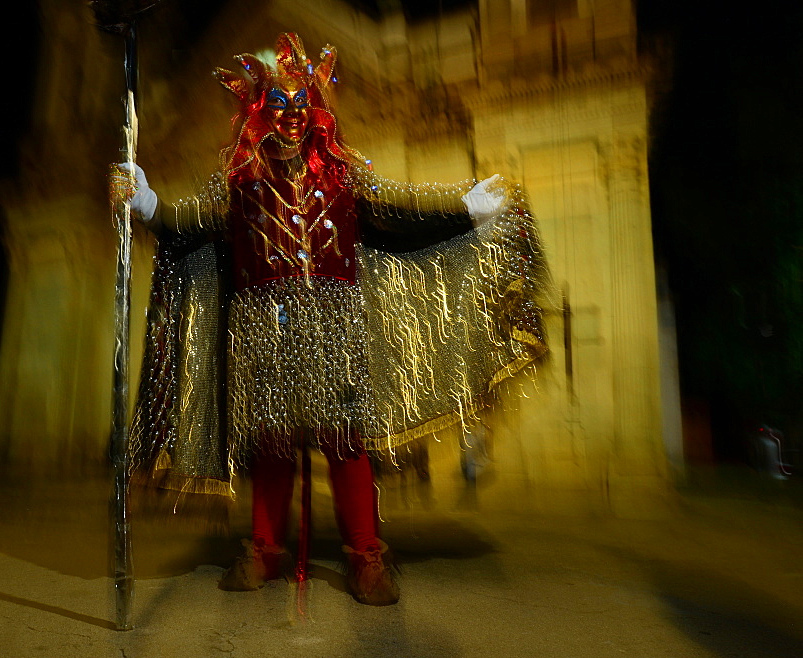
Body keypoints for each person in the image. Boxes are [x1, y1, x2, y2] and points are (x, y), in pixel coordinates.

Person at [118, 33, 548, 606]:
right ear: (258, 110)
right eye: (279, 105)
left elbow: (399, 213)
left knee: (346, 443)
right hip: (262, 328)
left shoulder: (344, 176)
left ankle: (366, 555)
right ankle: (265, 548)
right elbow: (188, 227)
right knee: (270, 442)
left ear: (317, 107)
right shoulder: (239, 184)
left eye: (302, 105)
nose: (292, 117)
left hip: (335, 325)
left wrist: (465, 209)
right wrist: (149, 205)